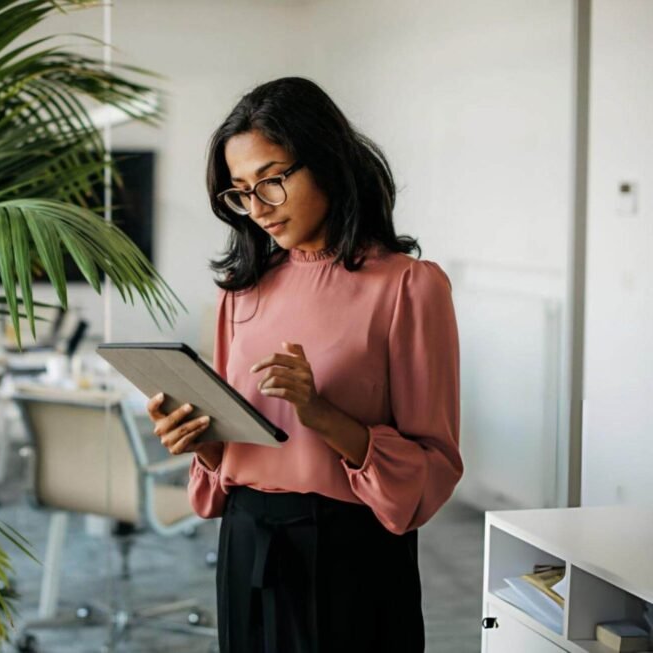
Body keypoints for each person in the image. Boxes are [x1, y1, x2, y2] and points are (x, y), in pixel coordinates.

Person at [145, 77, 462, 652]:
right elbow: (234, 456)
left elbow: (433, 468)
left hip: (349, 554)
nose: (257, 207)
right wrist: (201, 441)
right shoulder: (240, 293)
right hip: (245, 539)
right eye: (240, 191)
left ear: (326, 162)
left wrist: (320, 411)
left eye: (271, 181)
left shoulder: (409, 287)